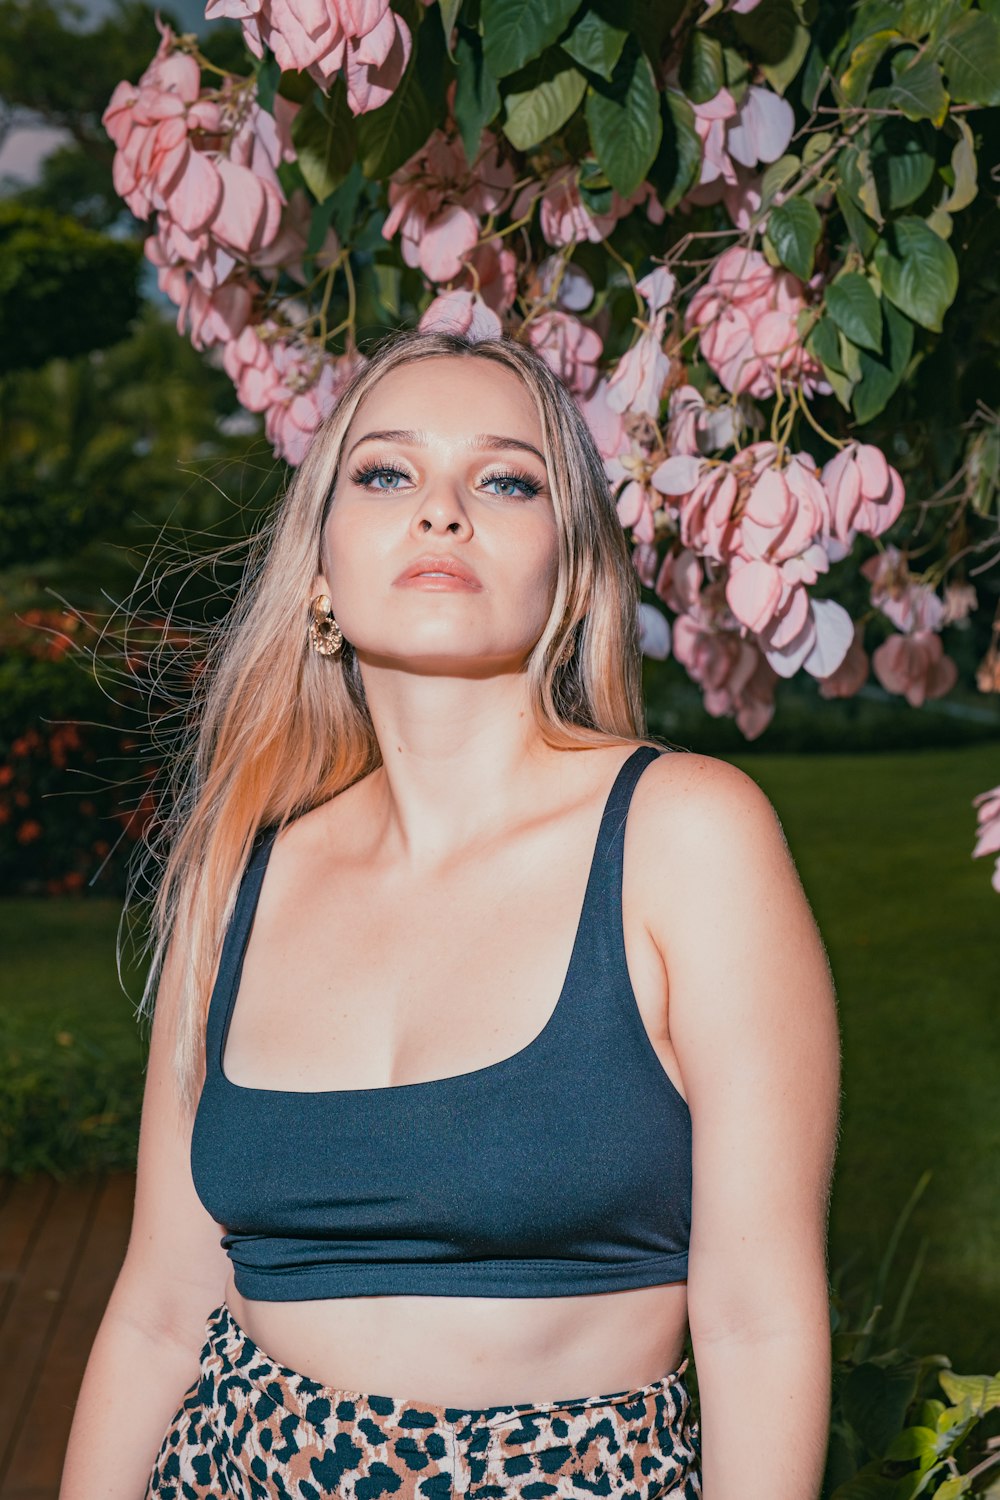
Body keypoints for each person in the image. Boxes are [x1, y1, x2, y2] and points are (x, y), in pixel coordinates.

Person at [59, 327, 841, 1500]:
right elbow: (162, 1312)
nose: (441, 511)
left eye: (505, 479)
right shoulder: (238, 877)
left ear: (569, 573)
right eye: (386, 473)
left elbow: (756, 1325)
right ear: (318, 568)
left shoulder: (685, 838)